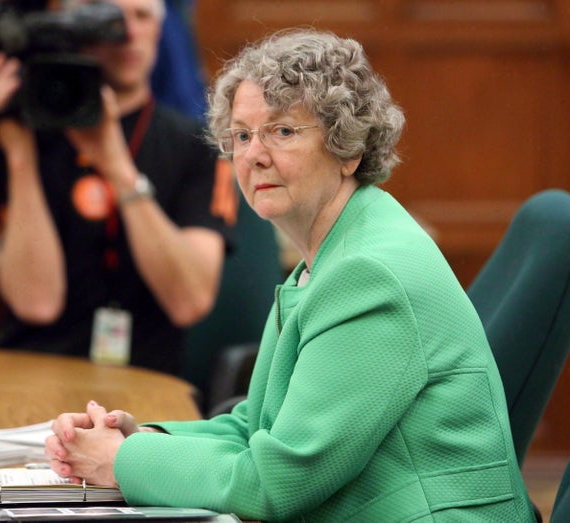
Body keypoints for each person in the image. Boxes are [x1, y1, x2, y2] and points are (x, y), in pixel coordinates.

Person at [44, 28, 536, 521]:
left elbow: (277, 482)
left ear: (349, 149)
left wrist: (122, 462)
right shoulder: (330, 253)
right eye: (241, 135)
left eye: (282, 131)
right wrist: (141, 439)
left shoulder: (368, 274)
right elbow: (259, 426)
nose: (253, 154)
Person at [0, 0, 236, 376]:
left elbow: (189, 301)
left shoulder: (197, 144)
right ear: (75, 30)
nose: (128, 34)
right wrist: (19, 155)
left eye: (142, 16)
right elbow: (36, 302)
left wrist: (118, 168)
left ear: (161, 30)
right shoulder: (25, 134)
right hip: (34, 369)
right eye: (110, 20)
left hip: (145, 377)